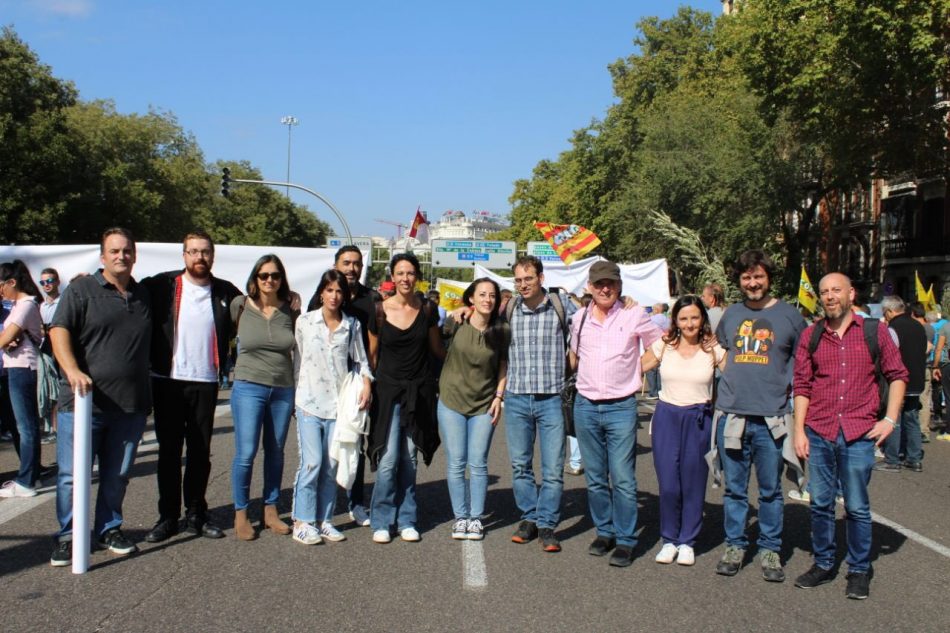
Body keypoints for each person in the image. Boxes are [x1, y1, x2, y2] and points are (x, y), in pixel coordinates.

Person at [792, 273, 907, 600]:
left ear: (850, 293)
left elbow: (898, 375)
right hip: (820, 430)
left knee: (856, 506)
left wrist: (890, 419)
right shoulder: (811, 335)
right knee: (821, 504)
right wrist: (799, 430)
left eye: (836, 290)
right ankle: (824, 562)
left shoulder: (875, 331)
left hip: (859, 433)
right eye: (825, 291)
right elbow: (802, 386)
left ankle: (859, 569)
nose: (829, 296)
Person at [48, 228, 152, 566]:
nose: (121, 256)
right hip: (82, 403)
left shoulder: (145, 295)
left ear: (134, 255)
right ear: (102, 256)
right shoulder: (82, 290)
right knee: (71, 474)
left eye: (127, 251)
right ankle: (69, 535)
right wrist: (72, 370)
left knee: (116, 474)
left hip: (130, 405)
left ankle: (109, 528)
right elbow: (59, 330)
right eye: (114, 251)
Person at [711, 249, 806, 582]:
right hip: (733, 416)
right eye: (747, 277)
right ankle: (735, 545)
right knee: (735, 491)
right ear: (740, 281)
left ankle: (769, 549)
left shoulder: (791, 317)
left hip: (772, 420)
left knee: (770, 491)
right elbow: (719, 352)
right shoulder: (731, 315)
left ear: (769, 277)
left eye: (758, 276)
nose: (753, 282)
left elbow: (804, 364)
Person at [141, 232, 242, 543]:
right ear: (183, 255)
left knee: (200, 452)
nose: (199, 257)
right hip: (167, 380)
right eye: (193, 252)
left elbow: (260, 302)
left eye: (205, 252)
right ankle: (168, 517)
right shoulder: (161, 285)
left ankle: (196, 513)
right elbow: (124, 290)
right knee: (169, 452)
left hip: (206, 381)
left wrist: (291, 298)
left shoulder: (225, 291)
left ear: (213, 256)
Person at [569, 261, 663, 567]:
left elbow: (658, 347)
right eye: (599, 284)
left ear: (619, 286)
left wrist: (634, 370)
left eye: (610, 283)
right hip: (585, 405)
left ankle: (625, 539)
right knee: (595, 477)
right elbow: (575, 356)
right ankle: (604, 531)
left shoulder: (634, 313)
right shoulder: (580, 317)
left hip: (621, 406)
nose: (605, 288)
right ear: (590, 287)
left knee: (622, 478)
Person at [640, 295, 726, 566]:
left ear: (703, 320)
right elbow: (635, 366)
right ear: (675, 321)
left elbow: (735, 375)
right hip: (667, 416)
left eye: (695, 318)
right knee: (668, 484)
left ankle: (687, 540)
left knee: (693, 481)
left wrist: (720, 350)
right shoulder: (665, 345)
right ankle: (669, 539)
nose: (689, 324)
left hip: (698, 418)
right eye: (683, 318)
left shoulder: (712, 349)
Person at [367, 253, 444, 543]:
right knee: (387, 460)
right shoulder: (378, 310)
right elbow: (371, 357)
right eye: (400, 273)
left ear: (417, 276)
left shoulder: (427, 309)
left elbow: (438, 350)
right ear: (392, 276)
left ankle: (407, 518)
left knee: (409, 458)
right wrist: (367, 387)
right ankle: (382, 520)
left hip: (419, 393)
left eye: (410, 273)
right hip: (387, 394)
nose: (405, 278)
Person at [502, 256, 577, 552]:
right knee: (520, 465)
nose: (523, 285)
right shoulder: (509, 309)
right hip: (517, 397)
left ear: (541, 278)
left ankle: (547, 523)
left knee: (553, 467)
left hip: (551, 398)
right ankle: (529, 517)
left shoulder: (561, 306)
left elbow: (588, 327)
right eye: (518, 280)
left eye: (528, 279)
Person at [292, 269, 373, 545]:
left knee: (330, 465)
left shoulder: (352, 325)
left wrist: (367, 383)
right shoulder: (305, 322)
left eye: (339, 291)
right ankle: (302, 520)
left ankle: (325, 520)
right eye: (329, 290)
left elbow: (362, 361)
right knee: (312, 463)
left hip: (338, 405)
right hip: (308, 403)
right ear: (321, 292)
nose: (334, 296)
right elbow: (298, 361)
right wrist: (295, 397)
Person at [306, 245, 380, 527]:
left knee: (353, 444)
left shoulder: (370, 299)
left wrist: (366, 380)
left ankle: (356, 502)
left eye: (357, 263)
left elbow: (372, 345)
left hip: (355, 384)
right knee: (320, 451)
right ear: (336, 264)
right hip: (322, 387)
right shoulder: (319, 297)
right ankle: (317, 508)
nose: (352, 268)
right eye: (346, 263)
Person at [229, 254, 298, 540]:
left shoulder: (291, 309)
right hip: (248, 386)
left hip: (281, 389)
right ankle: (241, 512)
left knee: (276, 452)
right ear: (255, 279)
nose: (270, 280)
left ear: (282, 279)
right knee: (246, 453)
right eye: (264, 275)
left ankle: (270, 510)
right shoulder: (240, 305)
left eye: (275, 275)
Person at [438, 278, 508, 541]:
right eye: (482, 294)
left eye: (492, 295)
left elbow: (503, 364)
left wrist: (499, 396)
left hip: (484, 403)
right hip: (451, 401)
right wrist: (455, 313)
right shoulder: (456, 322)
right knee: (456, 463)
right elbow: (435, 344)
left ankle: (476, 518)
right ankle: (460, 517)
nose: (487, 299)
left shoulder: (502, 329)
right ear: (471, 299)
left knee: (478, 463)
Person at [0, 260, 44, 497]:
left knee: (25, 427)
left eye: (1, 285)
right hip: (18, 367)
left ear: (12, 282)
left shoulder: (25, 304)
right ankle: (32, 476)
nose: (0, 291)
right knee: (27, 427)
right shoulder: (20, 304)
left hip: (22, 368)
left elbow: (4, 337)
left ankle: (26, 481)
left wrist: (8, 341)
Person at [876, 296, 927, 472]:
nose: (885, 316)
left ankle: (892, 459)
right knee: (912, 419)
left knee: (893, 418)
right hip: (917, 379)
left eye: (885, 313)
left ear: (890, 311)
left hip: (899, 380)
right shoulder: (918, 326)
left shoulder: (893, 328)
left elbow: (889, 354)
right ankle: (914, 458)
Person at [38, 267, 61, 444]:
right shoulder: (41, 306)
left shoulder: (63, 302)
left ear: (57, 282)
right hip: (45, 350)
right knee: (49, 390)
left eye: (50, 281)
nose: (46, 285)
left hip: (60, 349)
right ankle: (52, 428)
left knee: (59, 390)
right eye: (43, 282)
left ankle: (59, 428)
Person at [909, 302, 934, 443]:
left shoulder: (920, 328)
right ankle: (922, 430)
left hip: (920, 367)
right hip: (925, 367)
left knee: (919, 400)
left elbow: (927, 348)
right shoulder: (929, 328)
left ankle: (921, 431)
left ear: (913, 314)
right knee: (923, 399)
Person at [933, 314, 950, 441]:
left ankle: (949, 431)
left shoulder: (946, 326)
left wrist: (936, 366)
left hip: (947, 365)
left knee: (949, 398)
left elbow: (939, 348)